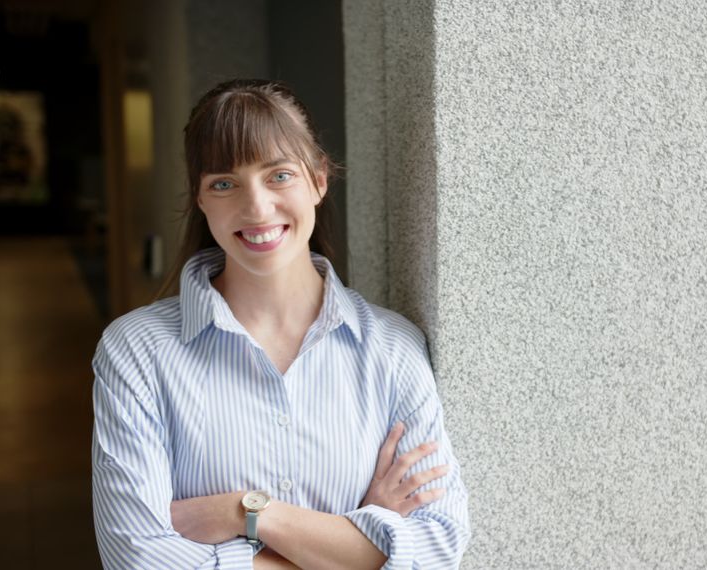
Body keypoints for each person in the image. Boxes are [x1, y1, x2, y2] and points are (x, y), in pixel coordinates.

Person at [91, 79, 470, 569]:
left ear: (318, 179)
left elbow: (438, 548)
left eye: (280, 175)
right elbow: (136, 560)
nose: (256, 207)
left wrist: (249, 514)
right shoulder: (135, 352)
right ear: (201, 200)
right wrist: (356, 540)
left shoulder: (394, 349)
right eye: (223, 183)